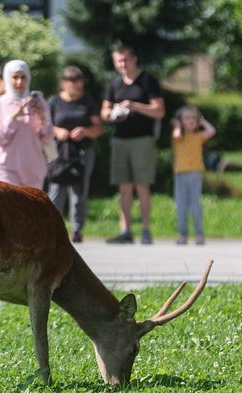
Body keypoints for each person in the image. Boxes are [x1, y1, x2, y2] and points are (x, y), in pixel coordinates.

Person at [101, 44, 164, 244]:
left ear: (134, 59)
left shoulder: (148, 81)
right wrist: (113, 114)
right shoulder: (114, 84)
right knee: (124, 187)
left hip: (142, 140)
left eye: (125, 59)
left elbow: (159, 111)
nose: (122, 64)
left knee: (142, 186)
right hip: (120, 139)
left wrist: (134, 105)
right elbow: (104, 111)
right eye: (118, 60)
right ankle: (125, 230)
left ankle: (146, 230)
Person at [47, 66, 103, 243]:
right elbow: (43, 126)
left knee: (79, 190)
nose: (78, 85)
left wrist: (85, 131)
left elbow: (99, 128)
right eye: (74, 82)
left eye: (80, 81)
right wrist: (57, 131)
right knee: (56, 189)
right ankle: (52, 228)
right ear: (64, 83)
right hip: (57, 151)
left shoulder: (88, 102)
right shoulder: (54, 102)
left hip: (82, 152)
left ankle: (77, 230)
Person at [0, 59, 54, 190]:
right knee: (8, 208)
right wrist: (14, 117)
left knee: (29, 210)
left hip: (33, 169)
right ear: (6, 78)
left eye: (23, 77)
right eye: (15, 77)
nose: (19, 82)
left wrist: (42, 117)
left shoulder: (39, 103)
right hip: (4, 168)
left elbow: (48, 136)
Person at [170, 105, 216, 246]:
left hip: (195, 173)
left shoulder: (198, 136)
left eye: (193, 118)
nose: (190, 120)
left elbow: (212, 131)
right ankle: (182, 234)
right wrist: (178, 125)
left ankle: (199, 233)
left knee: (195, 205)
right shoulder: (178, 136)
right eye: (186, 118)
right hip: (180, 174)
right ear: (180, 120)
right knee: (181, 205)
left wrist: (202, 122)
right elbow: (177, 134)